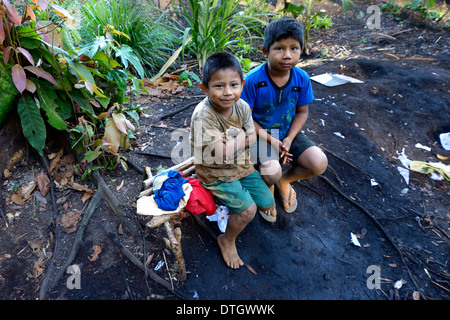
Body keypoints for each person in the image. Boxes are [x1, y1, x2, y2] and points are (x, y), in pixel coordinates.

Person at [190, 52, 274, 269]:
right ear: (204, 88)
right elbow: (222, 154)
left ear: (242, 84)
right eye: (219, 86)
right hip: (214, 173)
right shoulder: (204, 116)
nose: (228, 92)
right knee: (248, 211)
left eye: (234, 85)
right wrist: (242, 140)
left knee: (267, 202)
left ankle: (233, 204)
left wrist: (235, 141)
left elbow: (252, 136)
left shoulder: (243, 107)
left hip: (242, 167)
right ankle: (226, 240)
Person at [241, 17, 328, 222]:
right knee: (271, 172)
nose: (287, 55)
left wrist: (288, 139)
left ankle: (284, 182)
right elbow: (245, 120)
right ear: (265, 51)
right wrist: (273, 141)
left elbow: (302, 112)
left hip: (287, 133)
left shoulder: (301, 79)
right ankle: (269, 184)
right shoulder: (253, 80)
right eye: (279, 48)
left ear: (301, 49)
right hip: (259, 134)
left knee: (318, 163)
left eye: (294, 48)